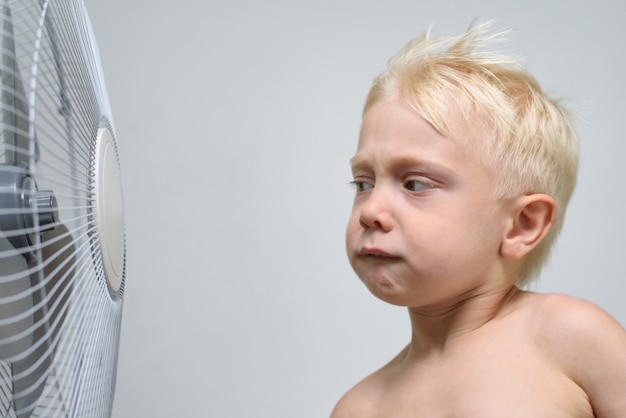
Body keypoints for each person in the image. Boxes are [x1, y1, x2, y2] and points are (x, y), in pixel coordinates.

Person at [331, 22, 626, 417]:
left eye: (415, 184)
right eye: (363, 183)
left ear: (523, 224)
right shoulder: (360, 408)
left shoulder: (571, 338)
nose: (370, 211)